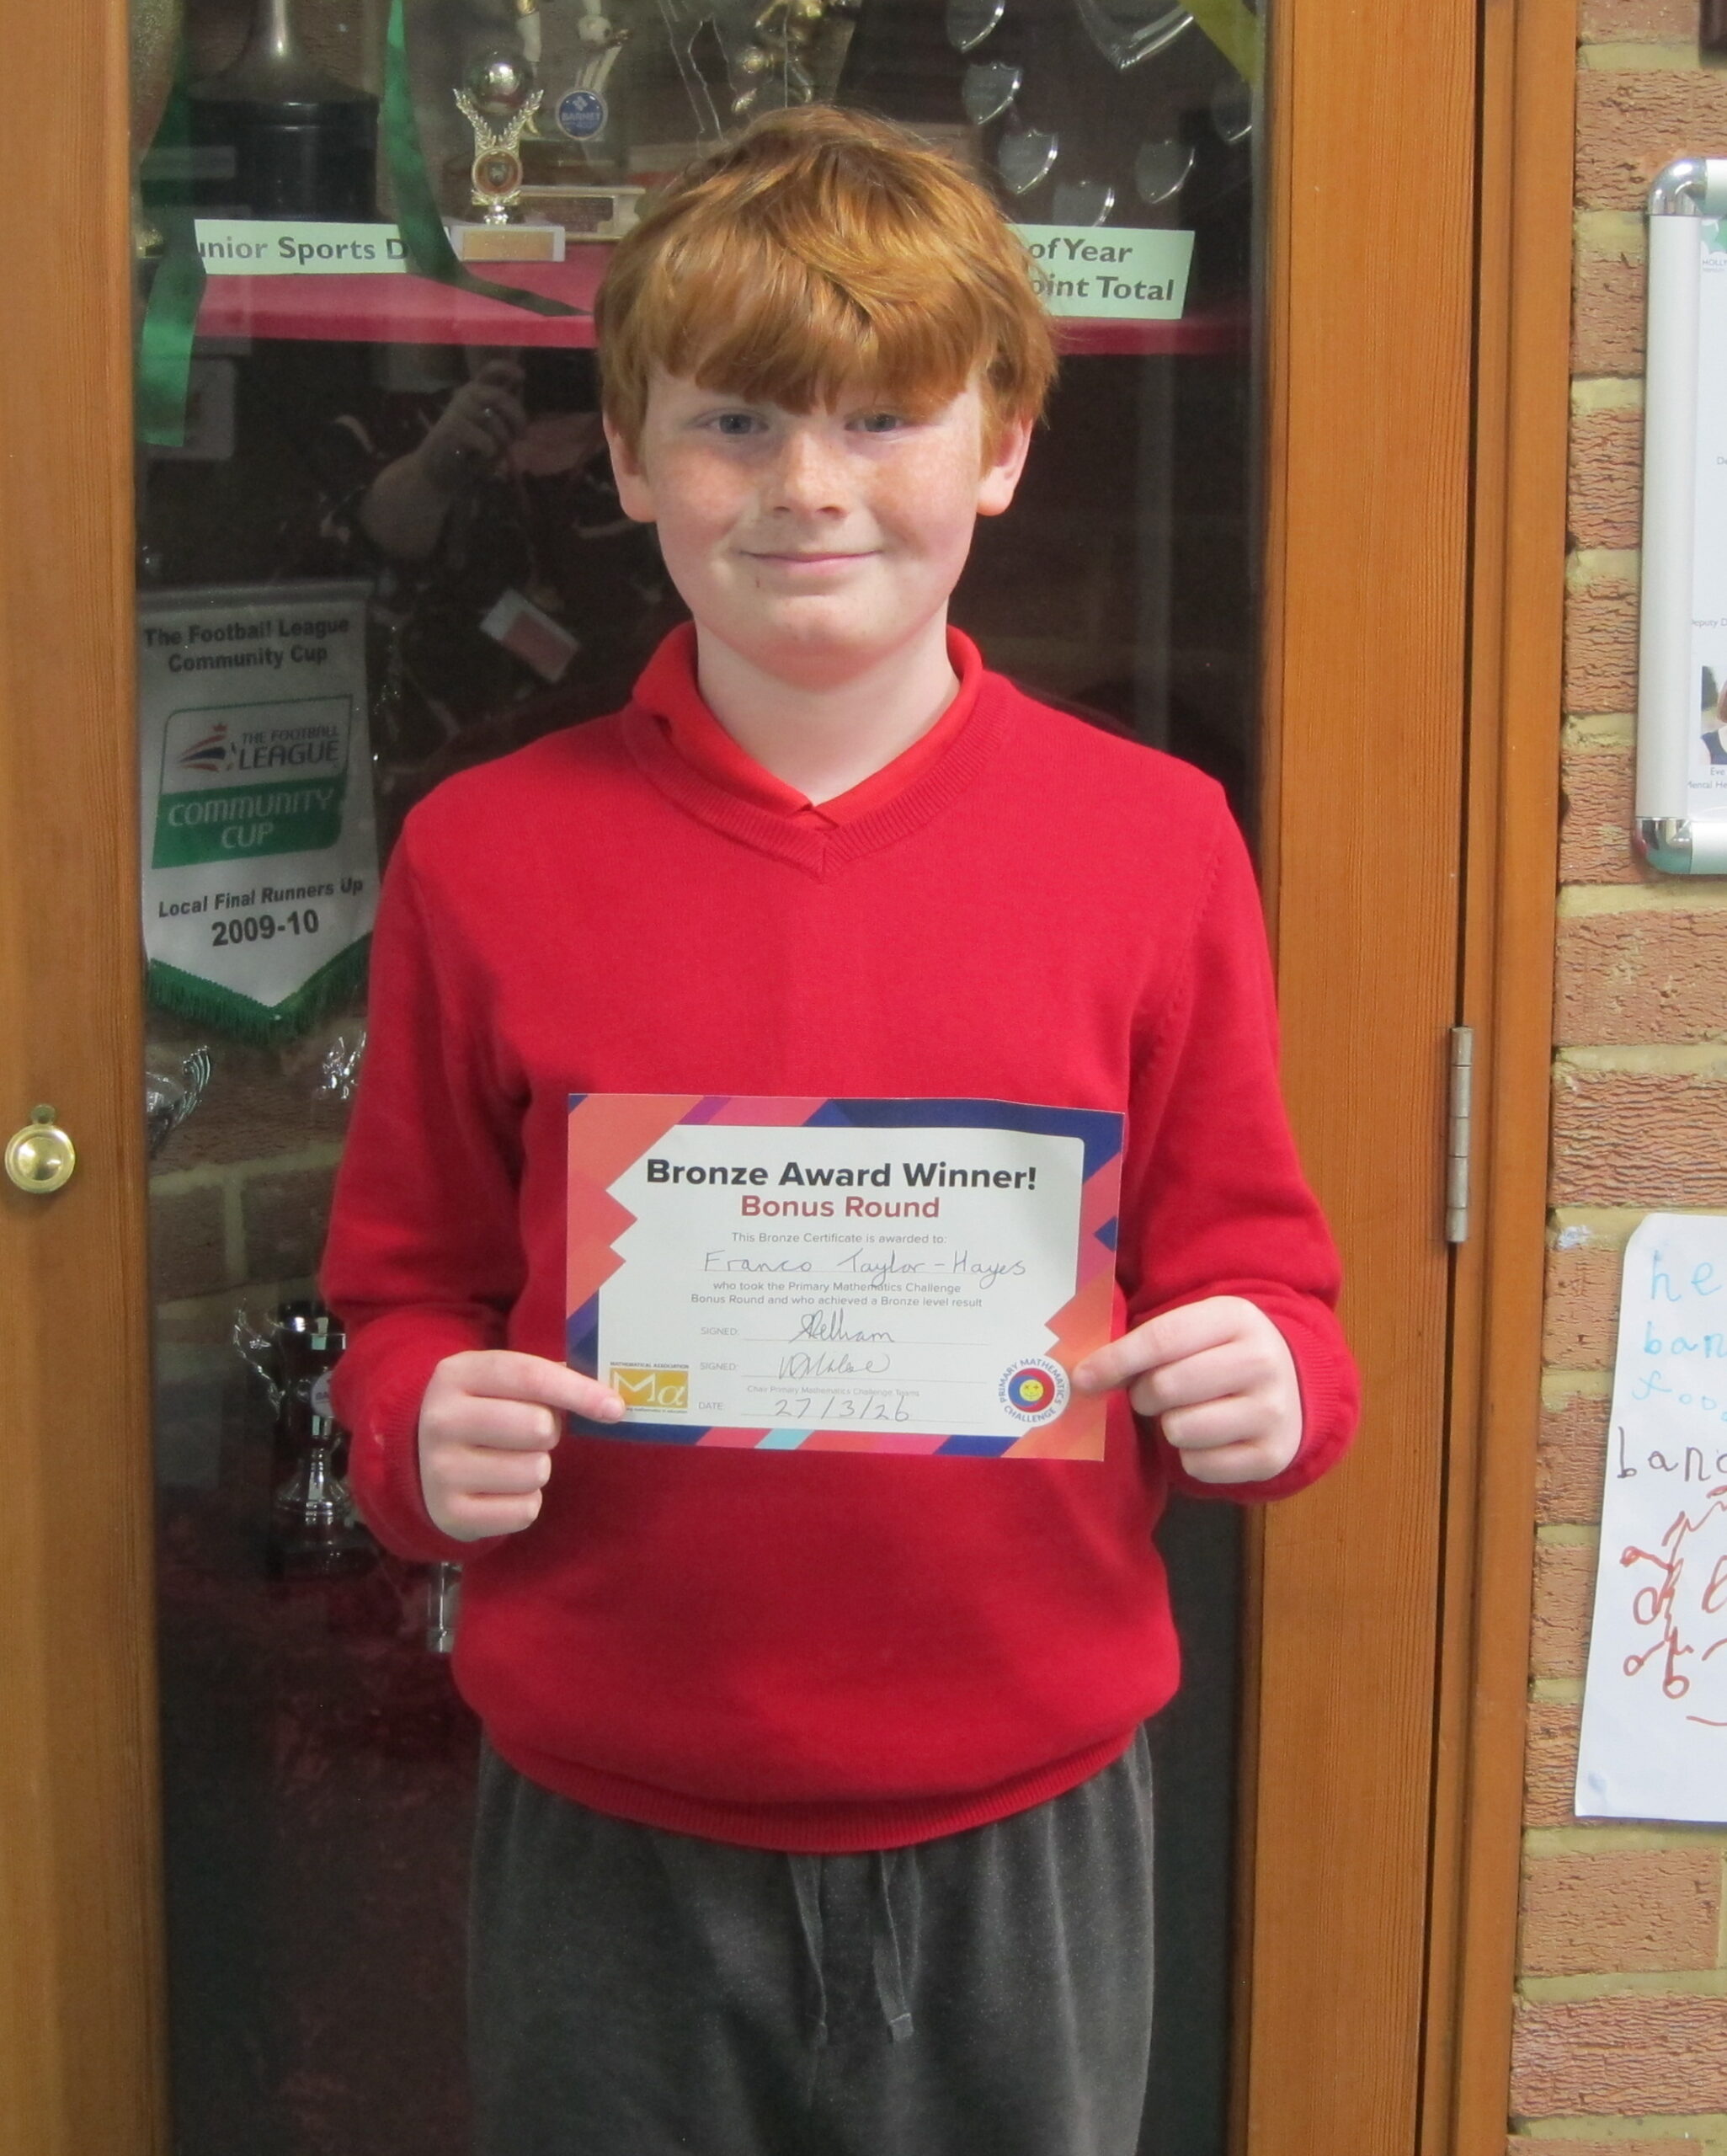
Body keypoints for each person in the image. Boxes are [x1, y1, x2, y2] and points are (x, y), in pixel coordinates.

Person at [322, 104, 1359, 2156]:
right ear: (630, 460)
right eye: (732, 422)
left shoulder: (1155, 846)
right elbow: (401, 1294)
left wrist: (1279, 1379)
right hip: (612, 1823)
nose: (808, 485)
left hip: (1025, 1818)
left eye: (884, 419)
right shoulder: (486, 854)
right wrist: (415, 1427)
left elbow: (1265, 1273)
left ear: (1002, 446)